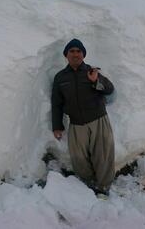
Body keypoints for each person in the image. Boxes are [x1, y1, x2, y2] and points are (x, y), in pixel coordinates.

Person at [51, 38, 115, 195]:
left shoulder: (92, 71)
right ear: (66, 55)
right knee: (78, 158)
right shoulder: (60, 77)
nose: (75, 54)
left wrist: (96, 80)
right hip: (76, 123)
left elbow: (109, 89)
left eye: (78, 51)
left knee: (103, 155)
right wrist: (57, 126)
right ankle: (88, 186)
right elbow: (57, 103)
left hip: (98, 120)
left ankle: (103, 188)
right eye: (71, 51)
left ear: (83, 55)